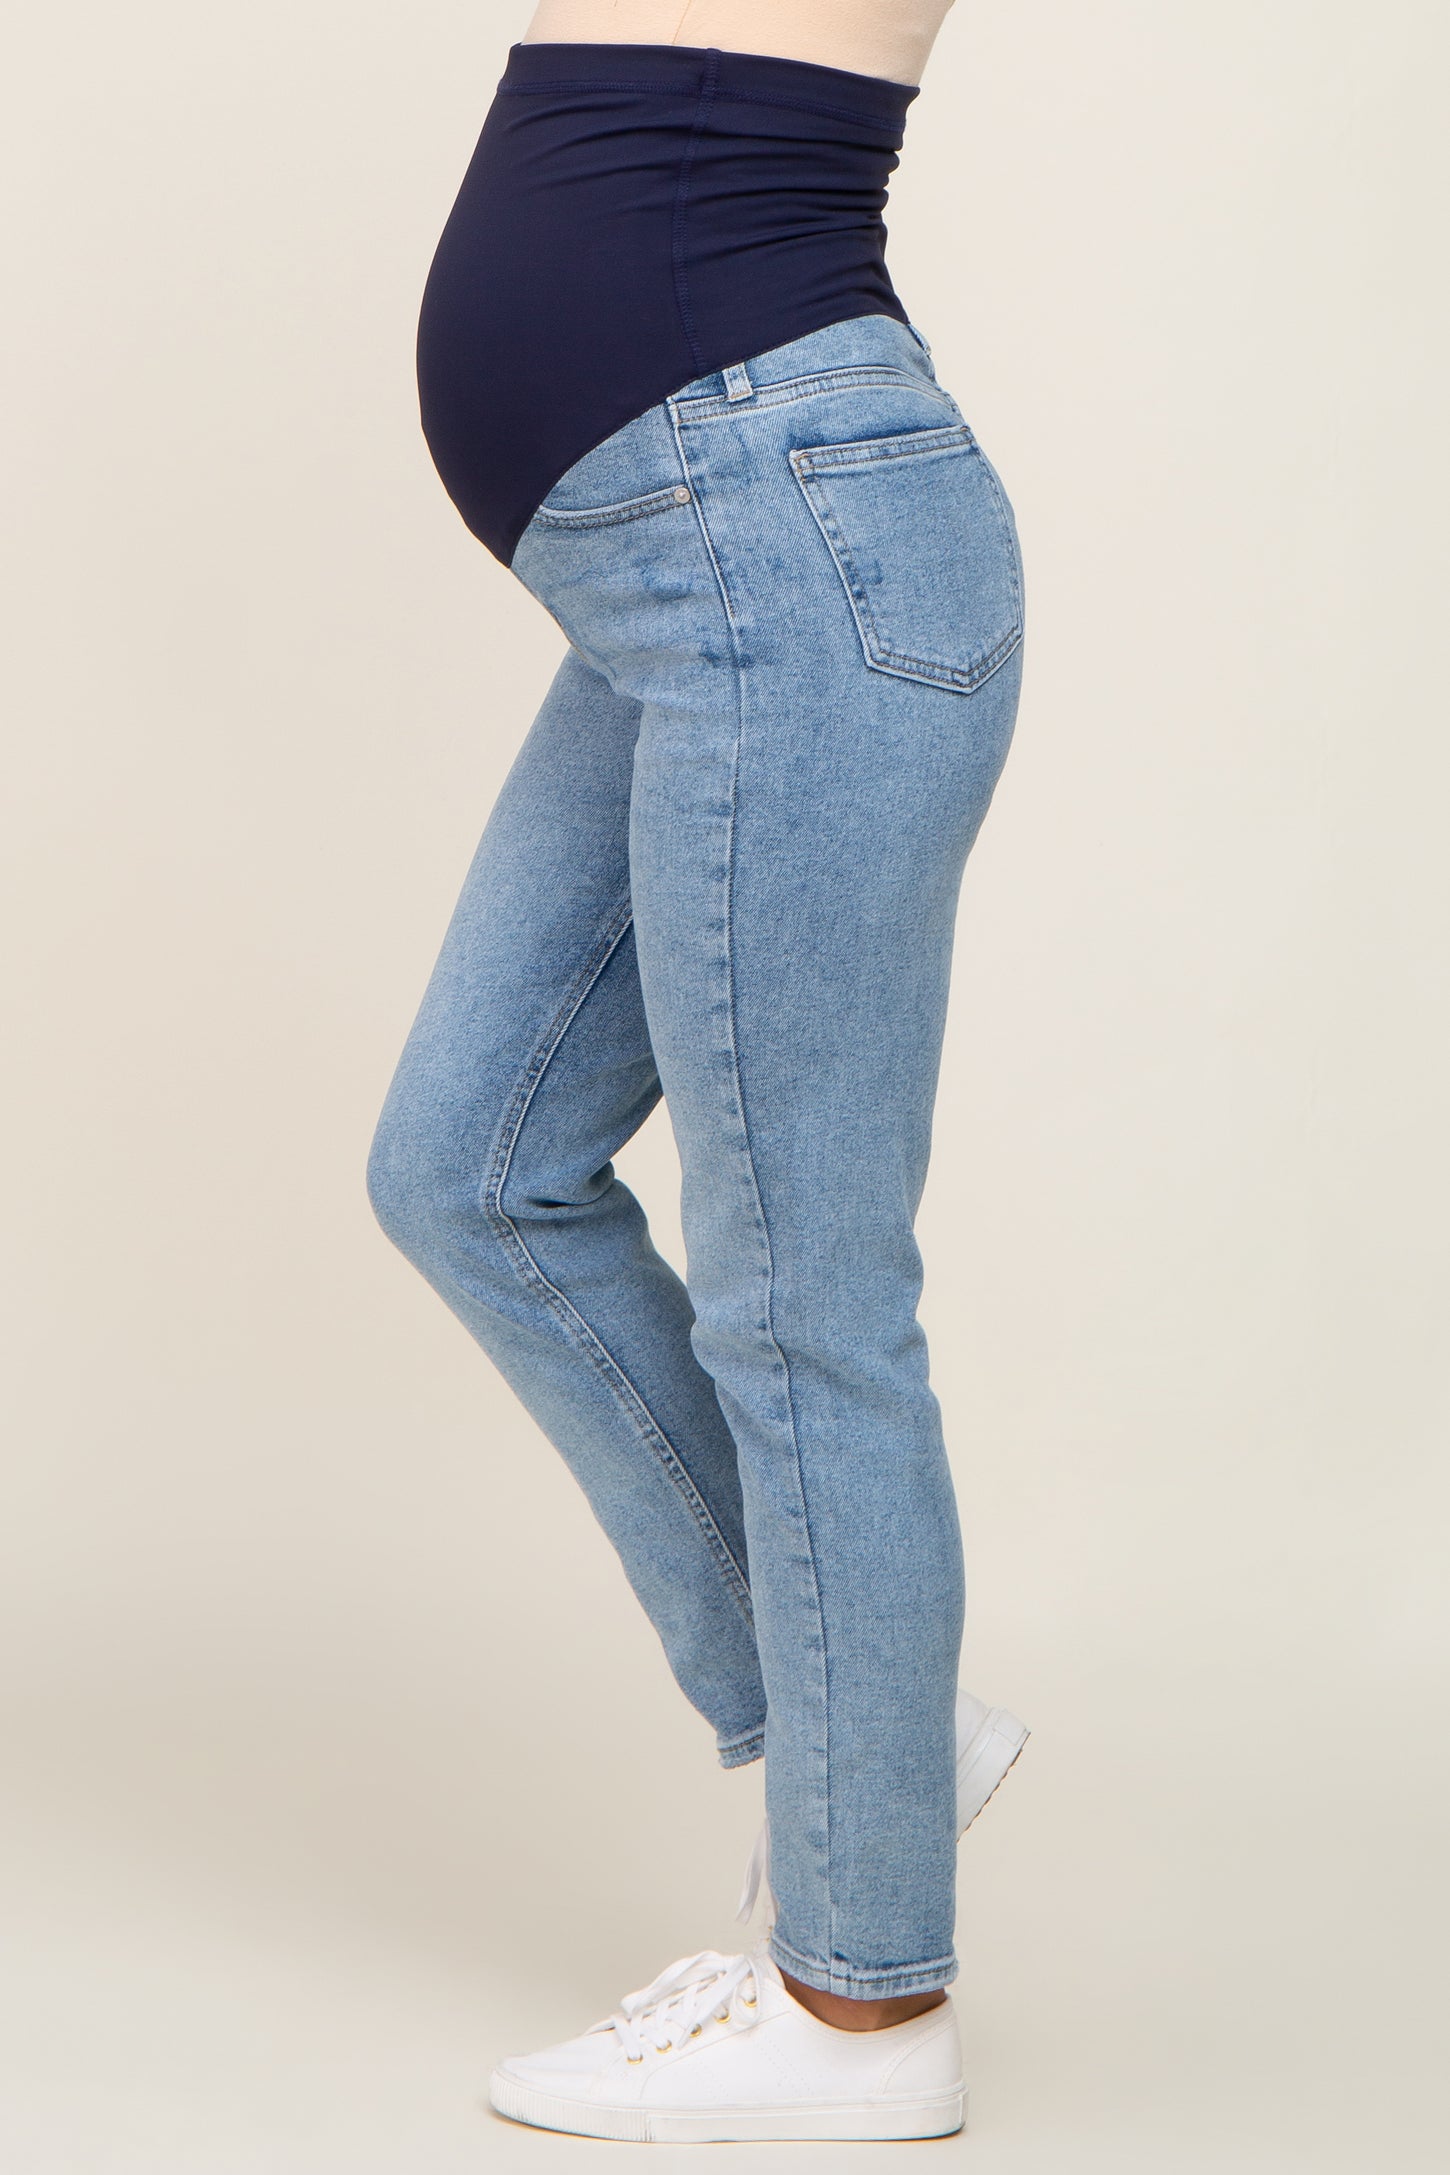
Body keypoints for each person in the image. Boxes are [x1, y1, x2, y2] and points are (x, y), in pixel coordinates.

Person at [367, 0, 1030, 2142]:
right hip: (698, 549)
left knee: (804, 1298)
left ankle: (862, 2014)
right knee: (468, 1167)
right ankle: (869, 1733)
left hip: (771, 520)